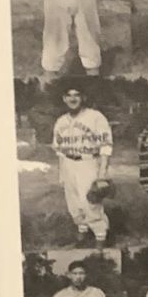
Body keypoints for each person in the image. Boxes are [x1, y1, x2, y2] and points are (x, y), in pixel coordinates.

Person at [50, 82, 115, 244]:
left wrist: (102, 173)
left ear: (83, 97)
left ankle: (100, 235)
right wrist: (61, 174)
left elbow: (105, 146)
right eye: (69, 95)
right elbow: (59, 149)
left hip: (87, 162)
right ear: (64, 99)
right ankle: (82, 230)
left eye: (76, 95)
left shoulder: (95, 117)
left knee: (90, 202)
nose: (73, 99)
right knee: (73, 202)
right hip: (67, 163)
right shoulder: (60, 121)